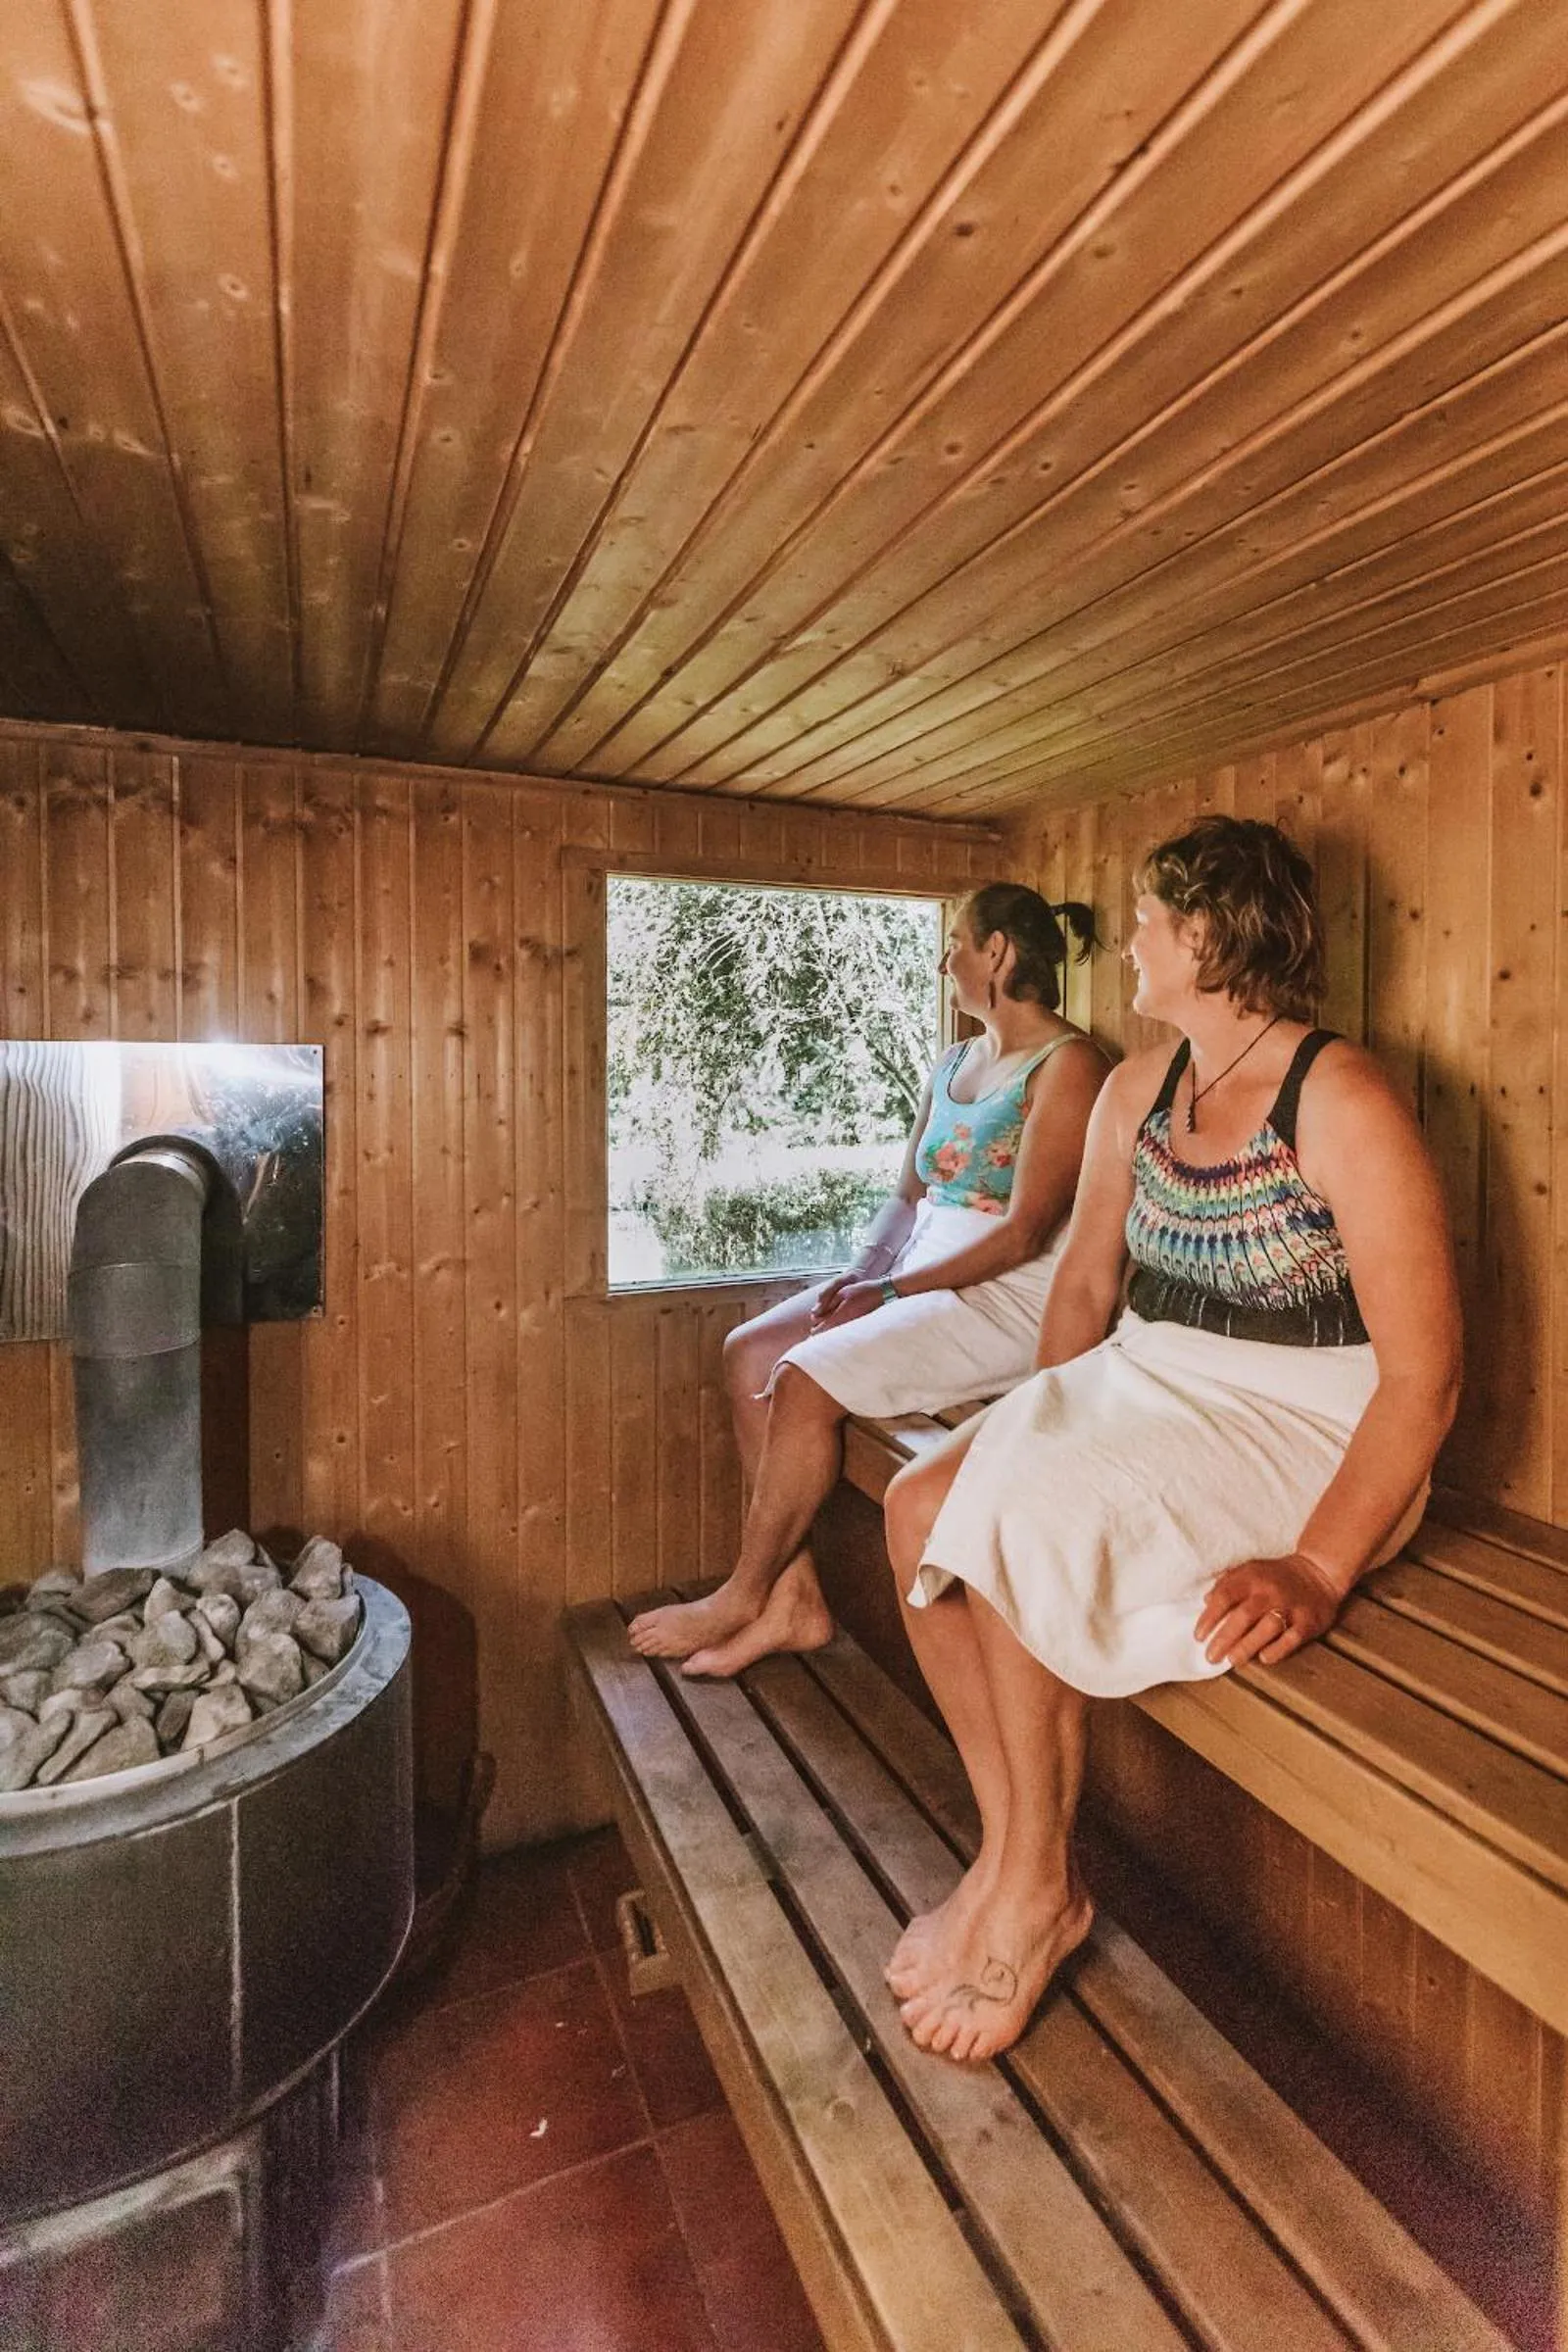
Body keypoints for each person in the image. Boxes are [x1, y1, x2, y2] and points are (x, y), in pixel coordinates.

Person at [880, 816, 1461, 2064]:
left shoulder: (1338, 1094)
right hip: (1150, 1374)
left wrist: (1315, 1568)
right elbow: (1084, 1287)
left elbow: (1424, 1378)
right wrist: (1031, 1424)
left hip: (1306, 1415)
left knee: (1012, 1518)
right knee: (922, 1504)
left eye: (1147, 920)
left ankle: (1036, 1892)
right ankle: (1009, 1844)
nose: (1130, 942)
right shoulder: (1140, 1087)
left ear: (1206, 933)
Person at [628, 885, 1108, 1678]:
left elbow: (1025, 1231)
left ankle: (743, 1594)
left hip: (1007, 1298)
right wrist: (862, 1272)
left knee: (804, 1379)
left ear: (997, 952)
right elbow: (907, 1196)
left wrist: (891, 1294)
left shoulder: (1072, 1065)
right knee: (752, 1351)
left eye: (958, 940)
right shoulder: (955, 1061)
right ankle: (796, 1599)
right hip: (922, 1279)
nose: (945, 957)